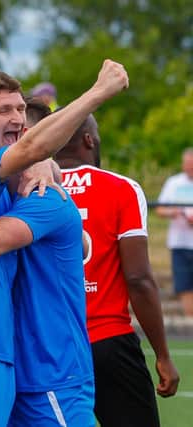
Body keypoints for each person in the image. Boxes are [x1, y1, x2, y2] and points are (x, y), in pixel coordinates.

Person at [0, 60, 128, 425]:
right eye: (5, 110)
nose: (17, 119)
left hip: (38, 368)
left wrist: (46, 165)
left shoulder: (33, 192)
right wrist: (97, 92)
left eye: (20, 111)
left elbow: (79, 241)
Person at [56, 114, 179, 426]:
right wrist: (162, 355)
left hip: (51, 344)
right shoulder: (121, 188)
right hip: (107, 340)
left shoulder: (29, 190)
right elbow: (138, 279)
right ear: (89, 139)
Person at [156, 148, 193, 317]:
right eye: (187, 164)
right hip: (180, 242)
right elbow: (160, 209)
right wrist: (174, 212)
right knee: (184, 286)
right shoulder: (174, 183)